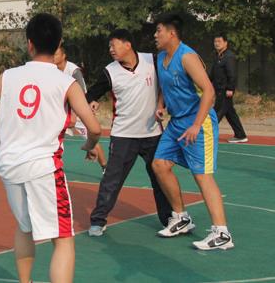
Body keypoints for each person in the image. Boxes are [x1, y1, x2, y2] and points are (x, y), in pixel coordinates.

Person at [0, 13, 102, 283]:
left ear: (29, 44)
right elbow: (95, 128)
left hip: (9, 165)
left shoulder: (9, 76)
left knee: (24, 227)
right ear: (59, 44)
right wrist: (89, 144)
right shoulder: (66, 82)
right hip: (43, 168)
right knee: (63, 238)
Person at [152, 14, 233, 250]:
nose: (155, 35)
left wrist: (196, 125)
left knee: (202, 175)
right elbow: (164, 85)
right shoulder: (161, 57)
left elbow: (209, 91)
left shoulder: (187, 56)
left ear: (171, 33)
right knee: (159, 164)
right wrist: (160, 105)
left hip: (199, 122)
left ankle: (222, 233)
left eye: (158, 31)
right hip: (177, 122)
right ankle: (181, 218)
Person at [84, 29, 172, 237]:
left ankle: (170, 219)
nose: (111, 49)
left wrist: (163, 105)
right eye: (109, 46)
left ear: (128, 45)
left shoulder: (152, 61)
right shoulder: (110, 71)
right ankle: (98, 220)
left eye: (113, 45)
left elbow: (167, 85)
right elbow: (92, 92)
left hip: (152, 134)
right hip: (124, 135)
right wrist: (92, 100)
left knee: (160, 179)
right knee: (112, 180)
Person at [54, 45, 107, 170]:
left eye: (56, 54)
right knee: (52, 138)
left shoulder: (74, 71)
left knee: (92, 141)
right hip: (62, 111)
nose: (53, 57)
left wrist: (74, 114)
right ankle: (52, 167)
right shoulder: (53, 70)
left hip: (78, 111)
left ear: (63, 56)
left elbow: (82, 94)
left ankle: (105, 167)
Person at [209, 33, 247, 143]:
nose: (217, 44)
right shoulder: (217, 56)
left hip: (225, 91)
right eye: (215, 41)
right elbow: (212, 73)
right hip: (219, 90)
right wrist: (206, 83)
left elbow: (232, 74)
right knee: (230, 114)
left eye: (219, 41)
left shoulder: (229, 56)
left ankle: (206, 135)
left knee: (216, 113)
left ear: (225, 43)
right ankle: (240, 135)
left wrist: (230, 88)